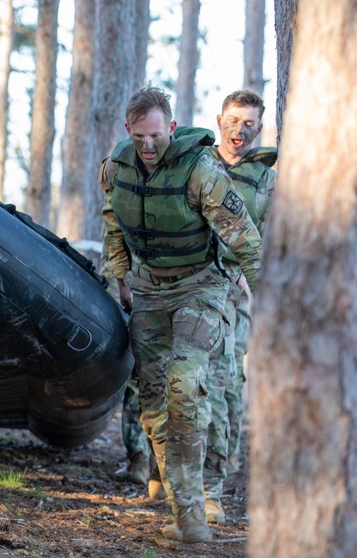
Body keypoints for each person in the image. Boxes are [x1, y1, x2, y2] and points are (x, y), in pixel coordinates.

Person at [101, 86, 262, 543]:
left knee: (185, 384)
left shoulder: (201, 169)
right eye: (139, 137)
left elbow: (245, 239)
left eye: (156, 135)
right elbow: (114, 223)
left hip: (200, 287)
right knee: (153, 405)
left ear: (171, 127)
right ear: (127, 131)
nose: (148, 147)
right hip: (149, 290)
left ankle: (195, 512)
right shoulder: (116, 168)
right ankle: (186, 512)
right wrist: (121, 279)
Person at [203, 90, 277, 513]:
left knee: (228, 383)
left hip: (236, 288)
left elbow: (274, 238)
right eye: (233, 120)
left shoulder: (267, 180)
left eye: (249, 123)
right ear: (219, 120)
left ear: (259, 128)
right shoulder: (197, 164)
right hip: (192, 282)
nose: (240, 130)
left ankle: (217, 476)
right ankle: (184, 478)